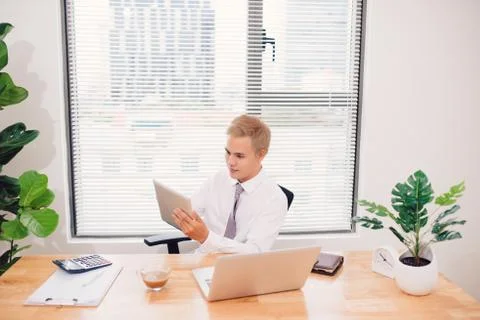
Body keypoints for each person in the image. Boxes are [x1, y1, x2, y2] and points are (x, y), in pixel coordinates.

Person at [172, 114, 288, 253]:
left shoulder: (274, 199)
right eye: (228, 152)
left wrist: (206, 238)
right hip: (204, 258)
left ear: (261, 154)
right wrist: (180, 214)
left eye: (239, 156)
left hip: (241, 269)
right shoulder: (219, 178)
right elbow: (191, 210)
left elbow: (255, 252)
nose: (230, 162)